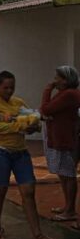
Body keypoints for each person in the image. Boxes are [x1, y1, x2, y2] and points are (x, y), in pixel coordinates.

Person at [0, 71, 55, 239]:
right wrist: (17, 125)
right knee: (0, 189)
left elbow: (34, 121)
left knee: (28, 191)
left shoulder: (19, 103)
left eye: (12, 88)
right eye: (5, 88)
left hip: (20, 153)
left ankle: (37, 235)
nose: (9, 91)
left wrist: (31, 126)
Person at [40, 65, 80, 224]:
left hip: (66, 139)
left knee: (68, 175)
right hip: (60, 138)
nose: (55, 80)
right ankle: (67, 206)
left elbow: (46, 109)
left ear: (66, 80)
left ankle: (70, 210)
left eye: (58, 78)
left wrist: (47, 90)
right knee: (63, 174)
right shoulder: (64, 94)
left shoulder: (69, 94)